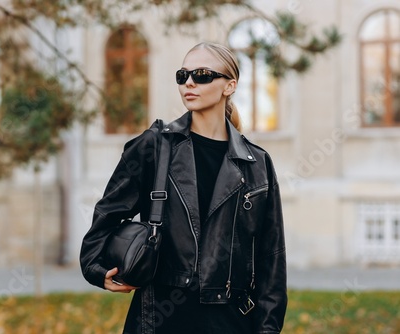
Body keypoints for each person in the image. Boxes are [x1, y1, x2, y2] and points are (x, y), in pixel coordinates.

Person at [80, 42, 287, 334]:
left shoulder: (257, 164)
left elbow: (271, 259)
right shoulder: (153, 147)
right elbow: (106, 216)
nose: (189, 82)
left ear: (230, 85)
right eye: (183, 75)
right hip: (159, 319)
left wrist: (268, 328)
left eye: (202, 75)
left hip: (231, 323)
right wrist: (96, 269)